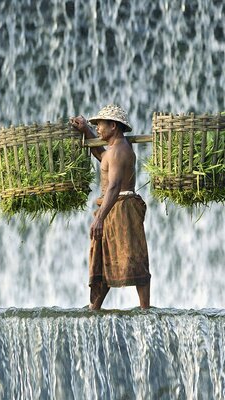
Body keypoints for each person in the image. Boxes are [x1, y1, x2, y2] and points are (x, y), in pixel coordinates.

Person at [70, 104, 151, 310]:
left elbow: (114, 187)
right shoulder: (115, 149)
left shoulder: (119, 151)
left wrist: (99, 218)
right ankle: (94, 308)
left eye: (100, 125)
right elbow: (102, 158)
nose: (98, 128)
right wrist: (86, 130)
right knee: (104, 257)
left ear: (113, 126)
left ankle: (145, 309)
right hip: (114, 207)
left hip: (121, 208)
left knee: (133, 256)